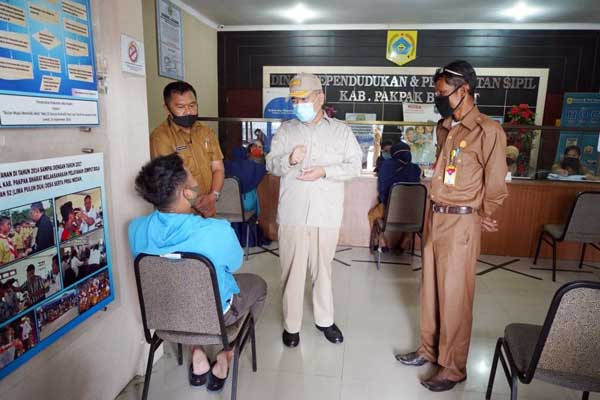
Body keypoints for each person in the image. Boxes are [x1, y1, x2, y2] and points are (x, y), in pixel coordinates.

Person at [396, 60, 508, 392]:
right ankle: (429, 350)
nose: (439, 99)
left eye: (443, 93)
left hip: (462, 220)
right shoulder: (444, 126)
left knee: (455, 294)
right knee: (430, 288)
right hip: (436, 215)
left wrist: (488, 210)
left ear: (464, 90)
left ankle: (453, 366)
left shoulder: (488, 130)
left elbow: (497, 180)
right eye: (437, 93)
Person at [129, 154, 267, 390]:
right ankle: (227, 353)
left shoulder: (135, 228)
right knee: (259, 285)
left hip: (164, 315)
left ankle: (197, 353)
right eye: (190, 173)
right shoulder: (216, 229)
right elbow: (235, 264)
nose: (194, 177)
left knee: (184, 290)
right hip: (216, 315)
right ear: (186, 192)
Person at [265, 72, 362, 347]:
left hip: (326, 214)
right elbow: (271, 165)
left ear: (320, 97)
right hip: (293, 213)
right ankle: (291, 325)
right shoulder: (286, 131)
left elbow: (354, 165)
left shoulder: (340, 131)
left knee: (323, 269)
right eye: (294, 100)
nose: (298, 105)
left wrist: (324, 171)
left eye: (303, 99)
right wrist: (289, 159)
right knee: (292, 271)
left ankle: (325, 321)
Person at [150, 81, 225, 218]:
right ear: (167, 109)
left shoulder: (207, 132)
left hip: (209, 208)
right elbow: (171, 179)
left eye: (192, 105)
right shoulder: (161, 137)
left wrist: (213, 196)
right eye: (180, 107)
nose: (188, 111)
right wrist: (200, 205)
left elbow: (218, 168)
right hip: (180, 215)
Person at [368, 142, 422, 252]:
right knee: (410, 218)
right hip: (412, 213)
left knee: (372, 215)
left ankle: (382, 243)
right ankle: (405, 241)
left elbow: (382, 189)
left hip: (389, 210)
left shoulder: (386, 165)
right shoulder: (416, 169)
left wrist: (383, 201)